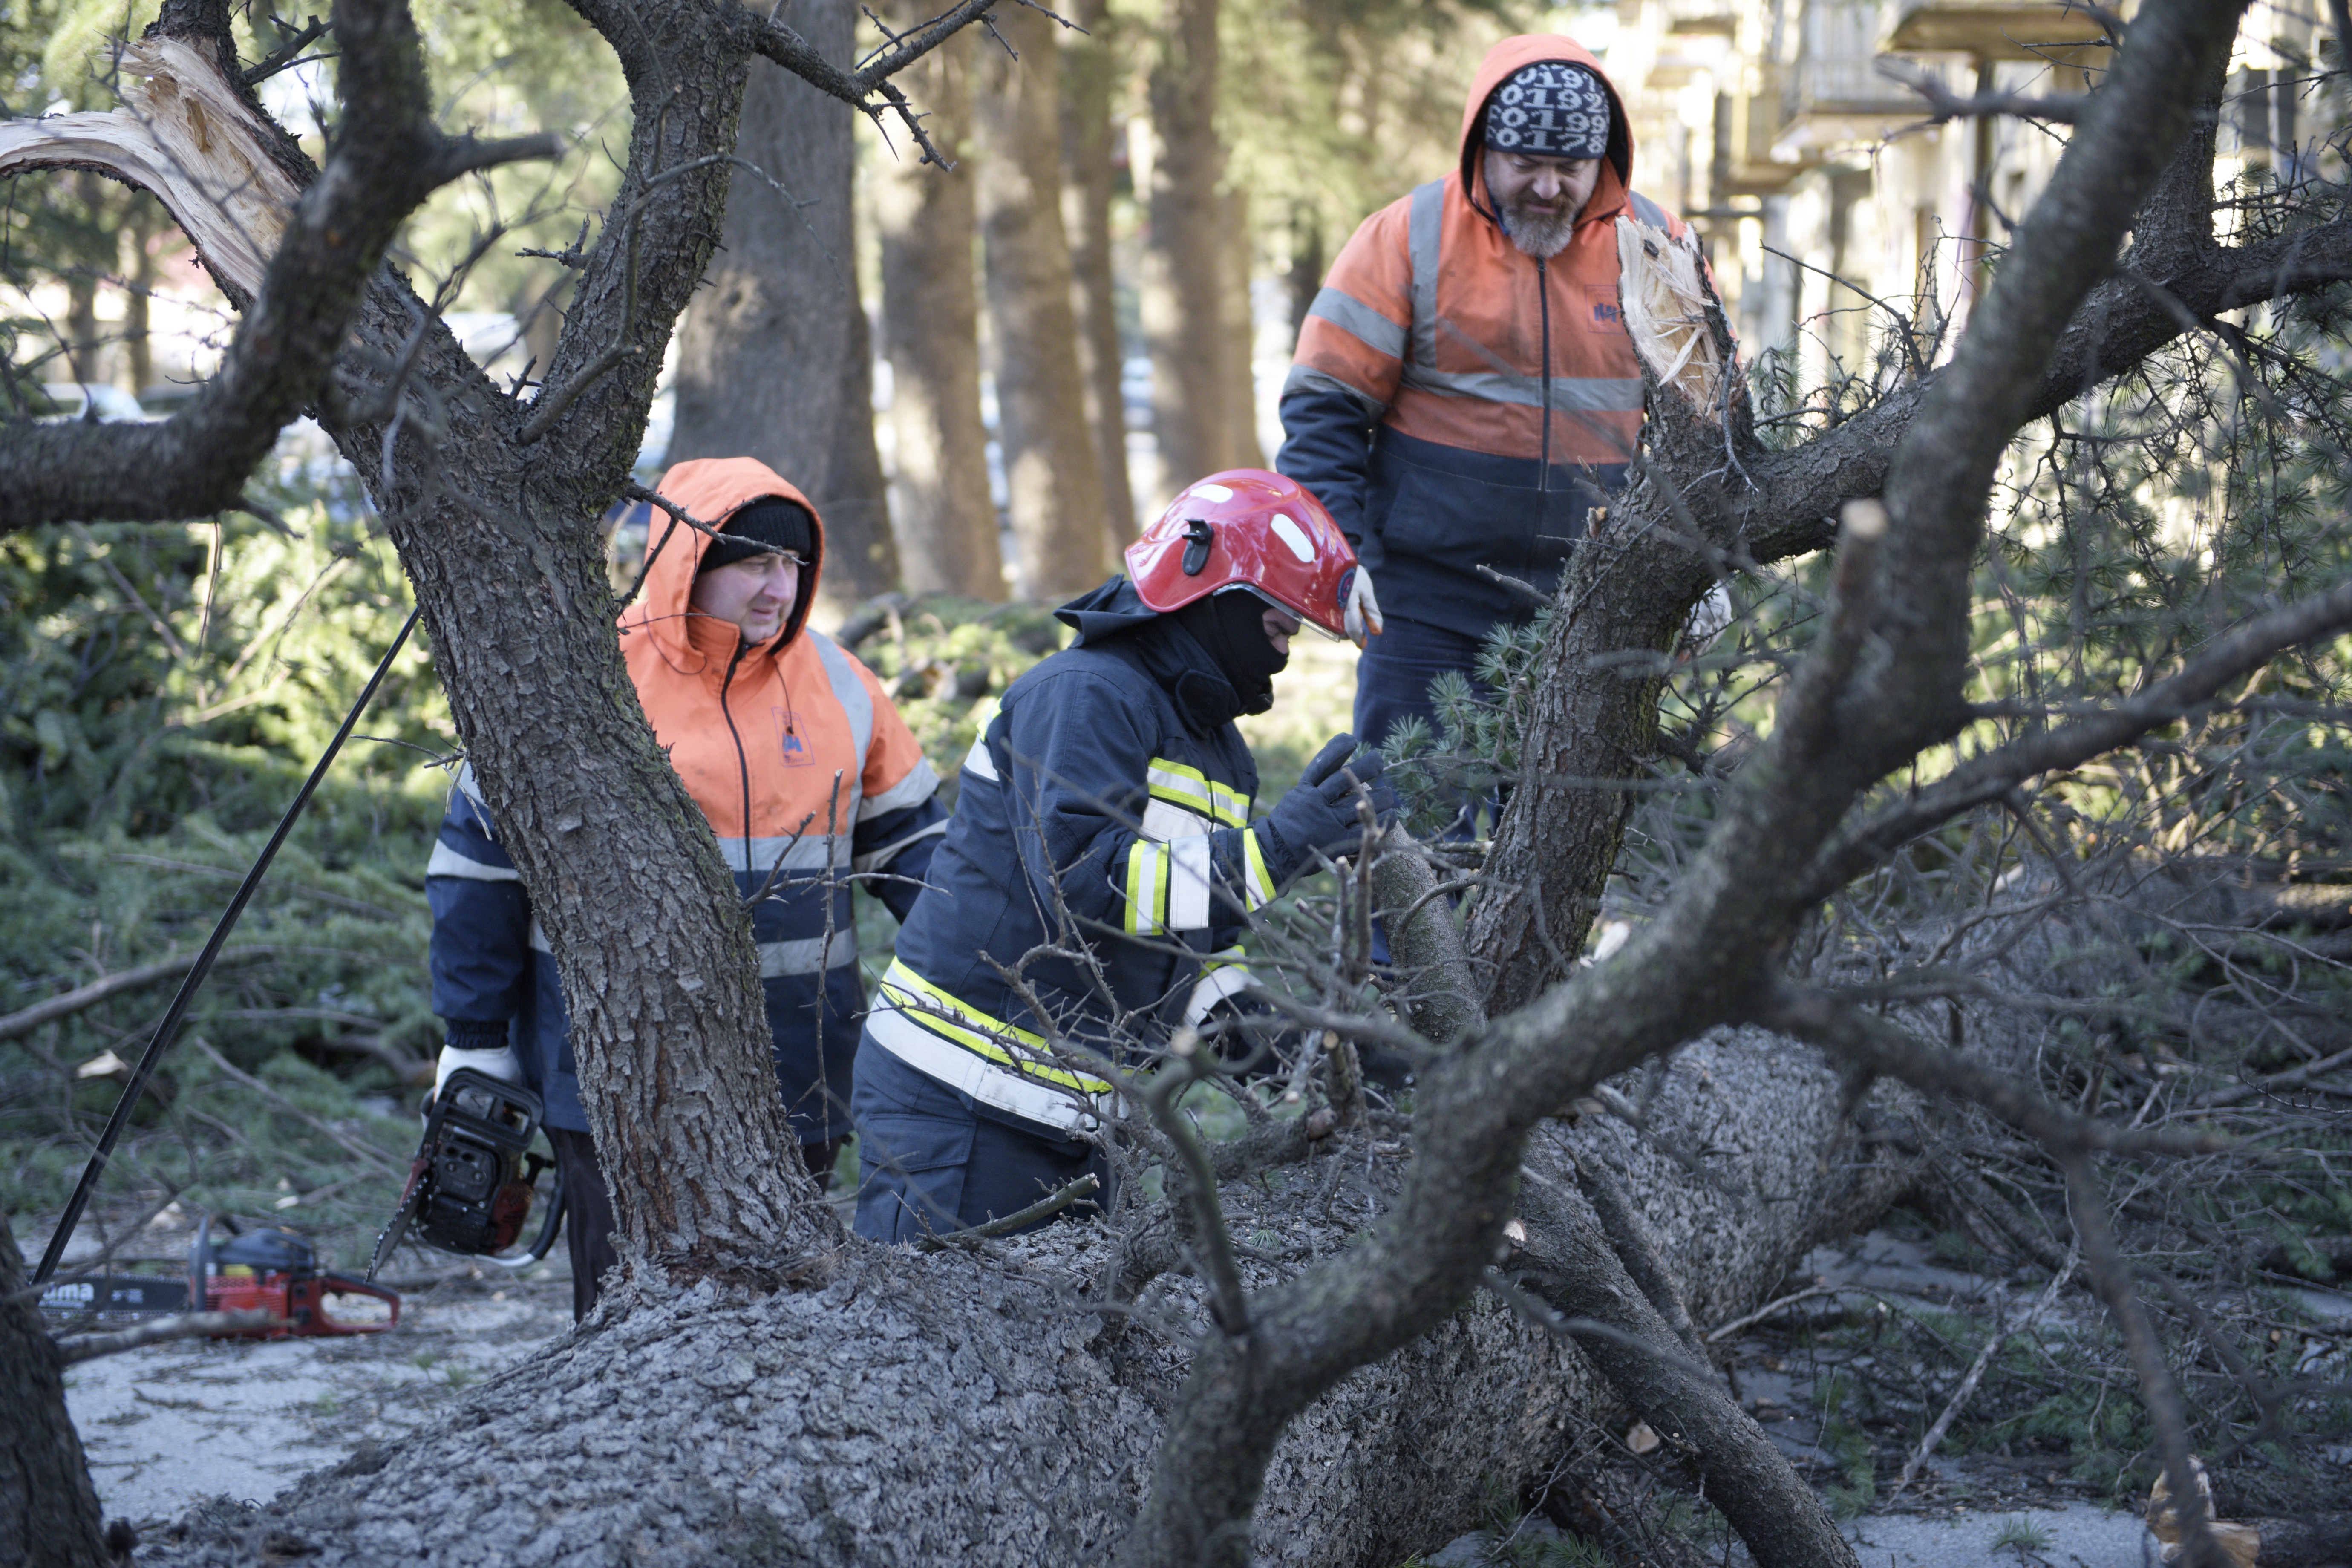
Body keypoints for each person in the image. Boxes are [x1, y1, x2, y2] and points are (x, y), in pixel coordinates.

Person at [426, 458, 947, 1317]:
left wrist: (993, 982)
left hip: (805, 1063)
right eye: (753, 563)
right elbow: (479, 869)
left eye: (793, 566)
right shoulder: (585, 680)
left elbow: (924, 853)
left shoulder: (844, 683)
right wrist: (476, 1035)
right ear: (689, 560)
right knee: (630, 1306)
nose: (779, 587)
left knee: (783, 1305)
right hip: (620, 1070)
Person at [850, 470, 1398, 1244]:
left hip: (1071, 1119)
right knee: (944, 1358)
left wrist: (1313, 1053)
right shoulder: (1086, 695)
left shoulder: (1217, 753)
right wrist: (1280, 847)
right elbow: (1085, 880)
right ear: (1218, 598)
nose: (1281, 658)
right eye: (1278, 631)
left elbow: (1179, 950)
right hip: (959, 1104)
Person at [1276, 35, 1698, 788]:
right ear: (1483, 148)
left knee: (1558, 848)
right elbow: (1325, 412)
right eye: (1525, 165)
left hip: (1594, 605)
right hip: (1422, 605)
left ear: (1600, 163)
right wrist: (1335, 558)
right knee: (1409, 829)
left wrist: (1704, 568)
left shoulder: (1657, 243)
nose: (1546, 188)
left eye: (1569, 169)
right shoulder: (1407, 237)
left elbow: (1702, 421)